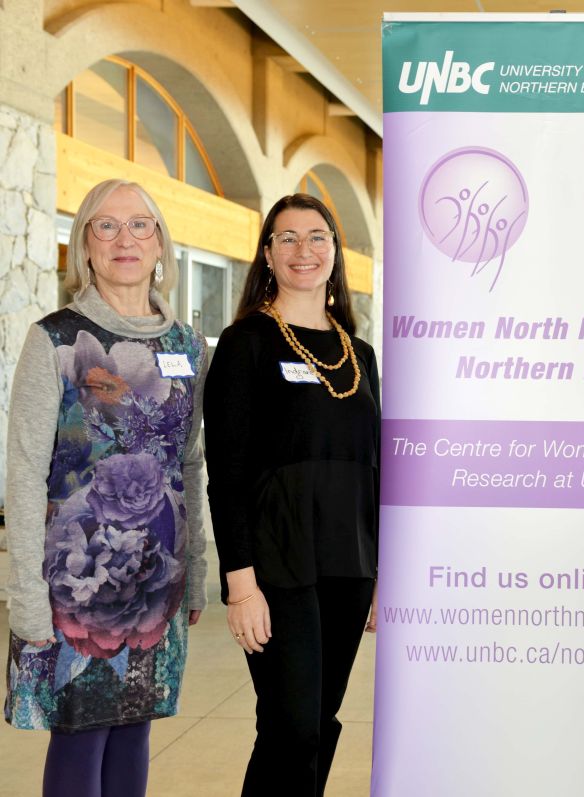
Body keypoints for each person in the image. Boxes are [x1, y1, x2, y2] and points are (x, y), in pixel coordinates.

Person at [4, 179, 207, 797]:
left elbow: (189, 464)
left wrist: (196, 570)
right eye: (107, 226)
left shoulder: (188, 346)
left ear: (161, 246)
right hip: (76, 583)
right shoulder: (56, 339)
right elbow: (22, 472)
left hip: (155, 582)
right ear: (85, 245)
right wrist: (26, 599)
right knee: (81, 734)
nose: (126, 239)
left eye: (140, 225)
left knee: (135, 731)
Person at [204, 193, 380, 796]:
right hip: (277, 565)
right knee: (293, 724)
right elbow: (225, 471)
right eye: (287, 238)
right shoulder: (246, 343)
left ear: (335, 251)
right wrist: (240, 581)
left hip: (349, 562)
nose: (303, 250)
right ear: (268, 255)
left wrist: (380, 570)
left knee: (317, 723)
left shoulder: (362, 356)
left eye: (317, 237)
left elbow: (373, 468)